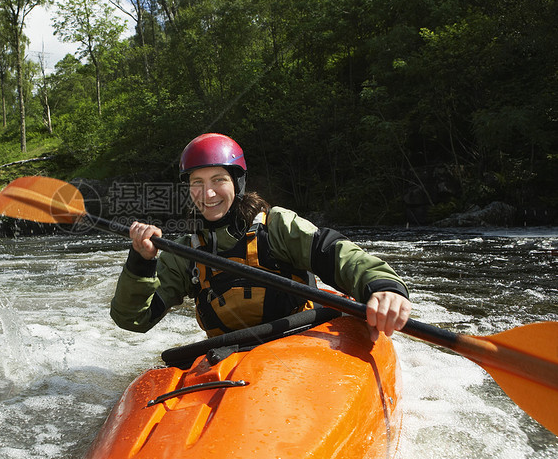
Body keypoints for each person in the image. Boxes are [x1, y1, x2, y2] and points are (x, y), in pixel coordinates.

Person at [110, 133, 411, 341]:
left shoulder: (276, 226)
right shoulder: (183, 252)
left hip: (300, 338)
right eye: (197, 182)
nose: (208, 193)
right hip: (230, 357)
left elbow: (337, 254)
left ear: (237, 183)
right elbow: (134, 319)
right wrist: (141, 261)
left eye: (219, 180)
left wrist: (382, 287)